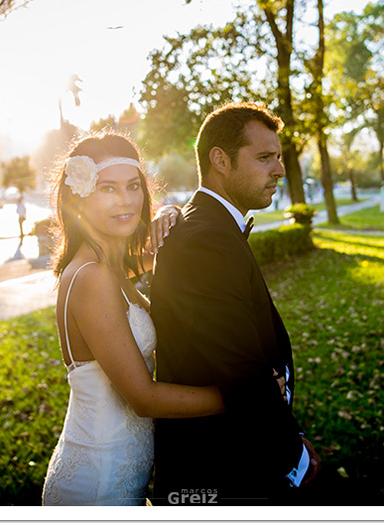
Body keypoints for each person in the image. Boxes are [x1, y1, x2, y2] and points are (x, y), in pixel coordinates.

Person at [41, 130, 233, 506]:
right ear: (78, 196)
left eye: (133, 186)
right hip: (97, 486)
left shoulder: (112, 265)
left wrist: (169, 212)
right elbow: (143, 399)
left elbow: (161, 247)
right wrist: (243, 397)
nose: (126, 200)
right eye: (108, 189)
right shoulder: (92, 277)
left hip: (122, 477)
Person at [150, 102, 320, 506]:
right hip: (223, 473)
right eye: (265, 158)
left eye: (278, 157)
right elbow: (242, 371)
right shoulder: (206, 238)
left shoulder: (209, 227)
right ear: (220, 160)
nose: (278, 169)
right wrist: (294, 460)